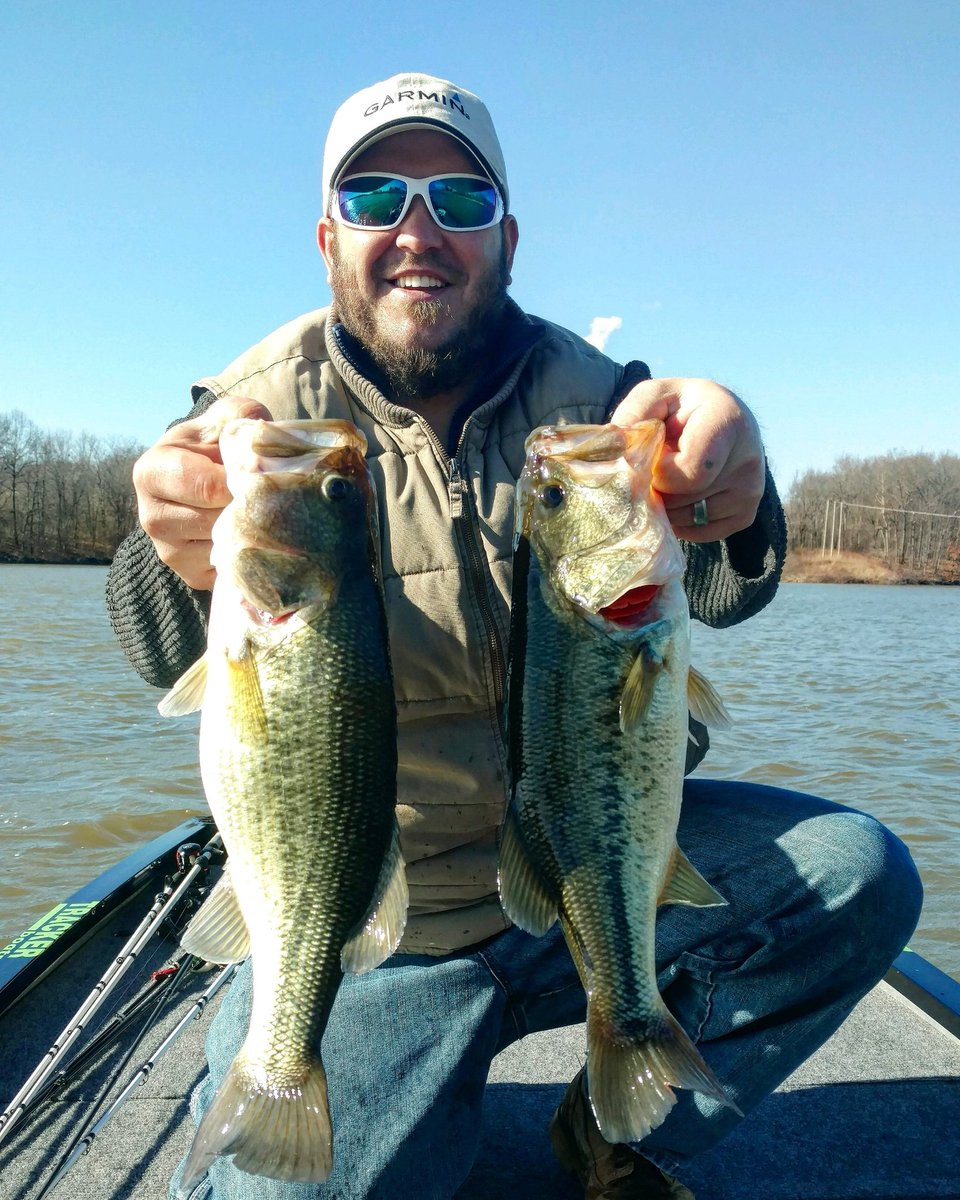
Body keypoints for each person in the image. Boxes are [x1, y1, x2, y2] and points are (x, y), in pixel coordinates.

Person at [106, 73, 922, 1200]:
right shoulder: (250, 421)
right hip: (382, 914)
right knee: (282, 1178)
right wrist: (175, 547)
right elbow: (162, 647)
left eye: (462, 202)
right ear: (326, 234)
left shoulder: (605, 407)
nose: (417, 231)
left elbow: (726, 594)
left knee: (861, 876)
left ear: (511, 234)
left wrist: (741, 484)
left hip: (589, 864)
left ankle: (619, 1130)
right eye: (377, 194)